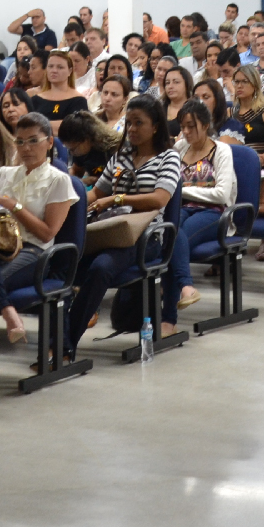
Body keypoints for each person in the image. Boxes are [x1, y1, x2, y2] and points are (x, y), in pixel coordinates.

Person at [0, 112, 77, 394]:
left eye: (34, 141)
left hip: (35, 251)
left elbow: (47, 233)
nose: (26, 148)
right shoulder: (4, 174)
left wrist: (14, 206)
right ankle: (8, 311)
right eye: (20, 141)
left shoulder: (59, 180)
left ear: (49, 142)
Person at [66, 96, 184, 349]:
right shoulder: (122, 155)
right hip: (111, 230)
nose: (131, 129)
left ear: (155, 126)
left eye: (138, 123)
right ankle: (55, 336)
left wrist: (115, 199)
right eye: (128, 123)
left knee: (101, 267)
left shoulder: (168, 158)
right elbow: (96, 193)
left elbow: (159, 198)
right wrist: (68, 206)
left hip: (146, 236)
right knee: (63, 261)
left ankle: (66, 343)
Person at [167, 99, 235, 311]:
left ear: (205, 125)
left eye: (191, 126)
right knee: (168, 230)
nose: (186, 132)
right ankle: (181, 288)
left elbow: (222, 194)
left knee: (179, 235)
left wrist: (182, 190)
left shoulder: (221, 151)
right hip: (181, 208)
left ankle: (182, 287)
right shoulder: (179, 148)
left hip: (213, 213)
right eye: (183, 126)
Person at [230, 64, 264, 165]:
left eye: (245, 81)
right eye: (236, 82)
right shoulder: (229, 113)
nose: (239, 86)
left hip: (257, 164)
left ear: (255, 84)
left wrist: (255, 161)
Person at [27, 49, 87, 132]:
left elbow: (76, 127)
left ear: (69, 71)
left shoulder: (78, 100)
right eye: (50, 66)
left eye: (60, 67)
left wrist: (39, 125)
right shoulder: (35, 100)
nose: (54, 70)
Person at [56, 108, 120, 184]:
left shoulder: (114, 149)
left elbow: (115, 180)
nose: (72, 153)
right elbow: (76, 171)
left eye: (73, 149)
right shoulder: (80, 149)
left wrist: (88, 181)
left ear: (87, 139)